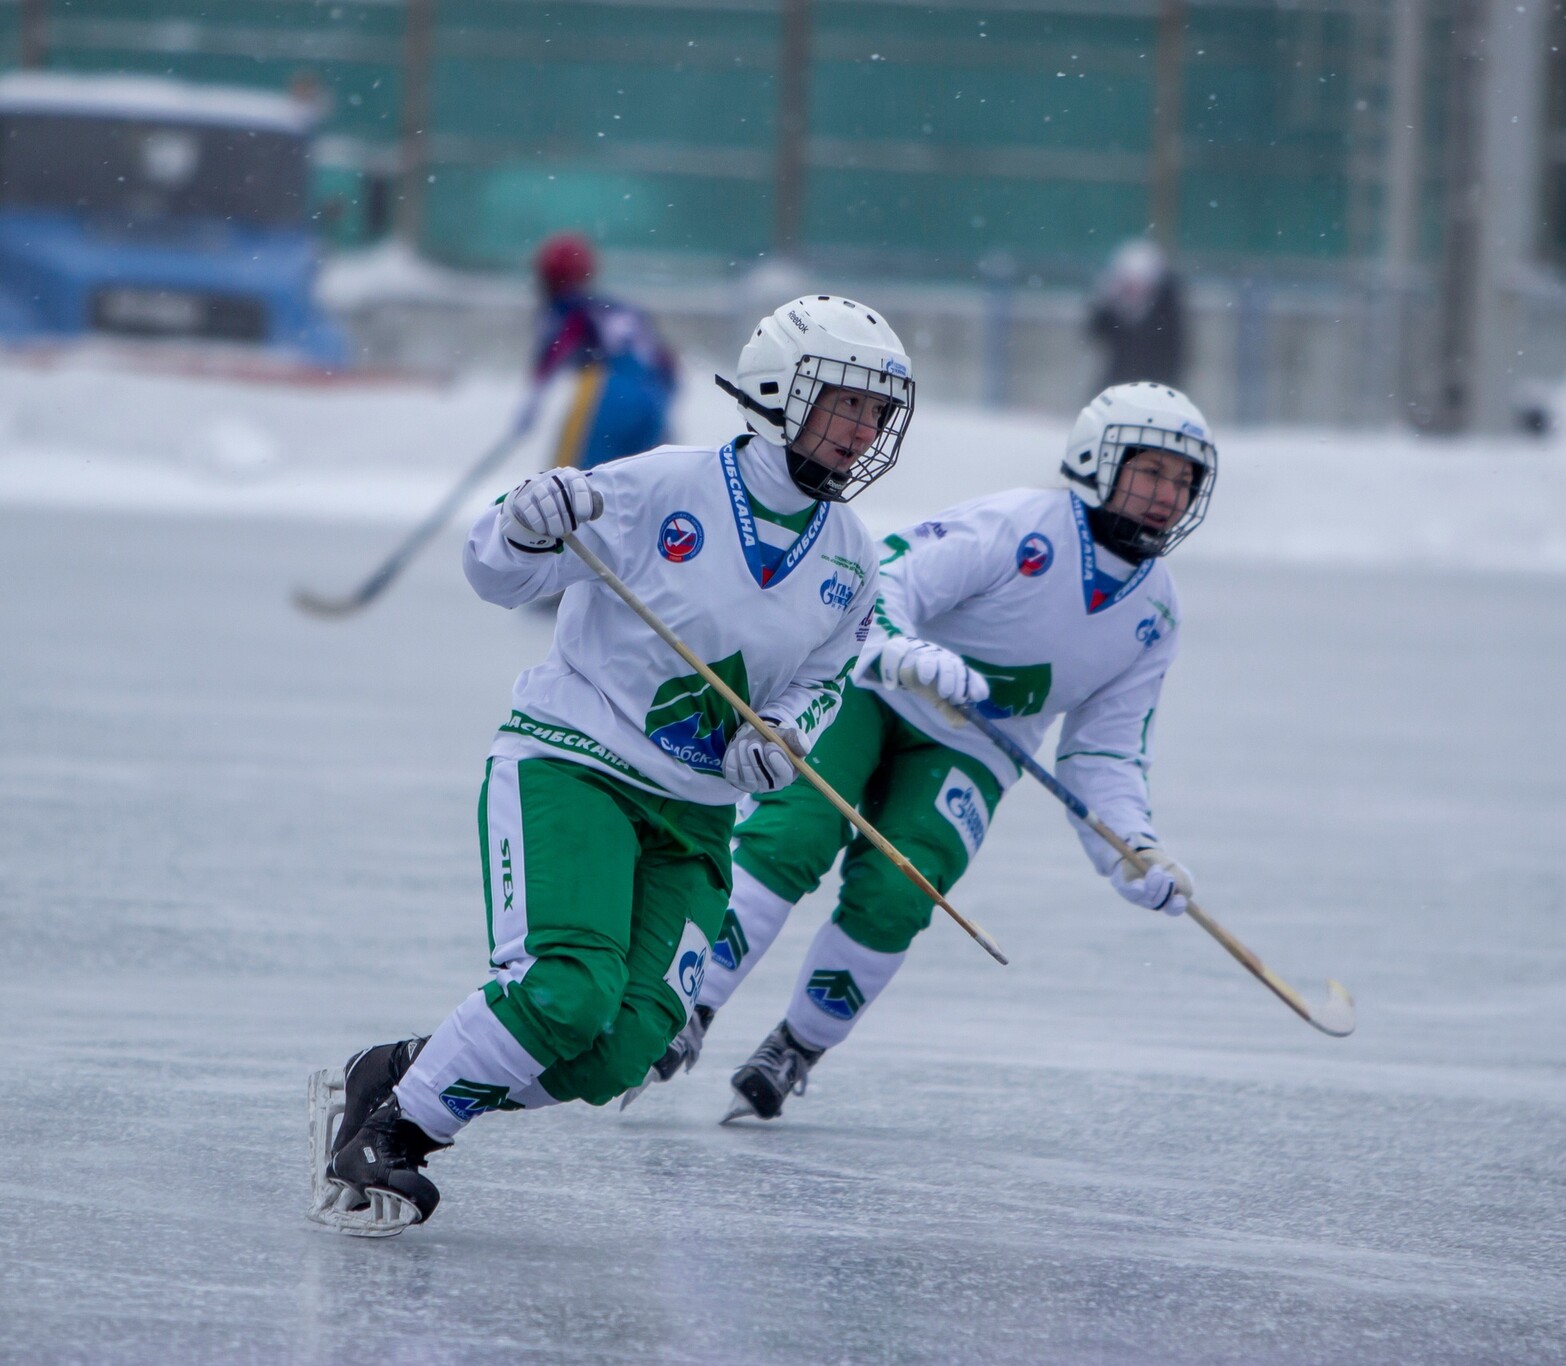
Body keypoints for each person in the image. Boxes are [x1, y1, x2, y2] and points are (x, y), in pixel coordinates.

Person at [307, 295, 916, 1236]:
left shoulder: (852, 561)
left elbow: (826, 681)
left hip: (696, 820)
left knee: (621, 1049)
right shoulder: (666, 484)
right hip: (576, 764)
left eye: (877, 412)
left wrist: (782, 739)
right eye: (844, 402)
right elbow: (496, 576)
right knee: (565, 990)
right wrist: (523, 521)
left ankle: (397, 1074)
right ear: (773, 392)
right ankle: (397, 1134)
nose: (863, 430)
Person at [630, 381, 1217, 1123]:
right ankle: (691, 1006)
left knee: (900, 891)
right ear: (1100, 461)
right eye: (1153, 471)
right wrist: (903, 653)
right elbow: (881, 584)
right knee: (790, 837)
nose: (1168, 494)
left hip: (975, 750)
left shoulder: (1156, 615)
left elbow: (1104, 752)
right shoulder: (1018, 526)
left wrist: (1131, 846)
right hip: (873, 692)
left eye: (1184, 480)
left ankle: (796, 1047)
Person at [521, 231, 680, 470]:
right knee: (643, 485)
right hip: (653, 395)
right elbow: (668, 365)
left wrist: (531, 405)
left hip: (605, 391)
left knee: (570, 484)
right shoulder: (623, 309)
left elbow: (553, 353)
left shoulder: (567, 309)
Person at [1086, 238, 1187, 391]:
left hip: (1155, 384)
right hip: (1120, 382)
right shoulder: (1115, 310)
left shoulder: (1165, 314)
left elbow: (1171, 355)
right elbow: (1096, 334)